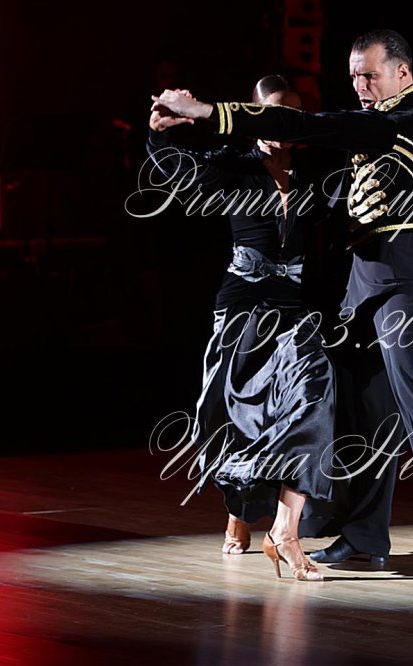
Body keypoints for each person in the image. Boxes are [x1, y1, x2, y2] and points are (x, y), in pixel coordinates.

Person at [155, 29, 413, 591]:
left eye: (371, 75)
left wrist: (208, 112)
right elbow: (350, 167)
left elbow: (313, 127)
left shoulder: (405, 117)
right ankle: (364, 536)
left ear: (402, 74)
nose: (360, 85)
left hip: (409, 283)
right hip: (364, 284)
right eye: (354, 75)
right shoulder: (386, 123)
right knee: (365, 414)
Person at [148, 75, 336, 581]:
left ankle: (286, 532)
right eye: (272, 113)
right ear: (254, 115)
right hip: (242, 305)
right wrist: (160, 135)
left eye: (290, 116)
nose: (280, 124)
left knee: (314, 398)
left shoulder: (316, 171)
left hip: (294, 307)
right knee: (240, 414)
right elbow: (176, 172)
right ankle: (239, 510)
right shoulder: (234, 164)